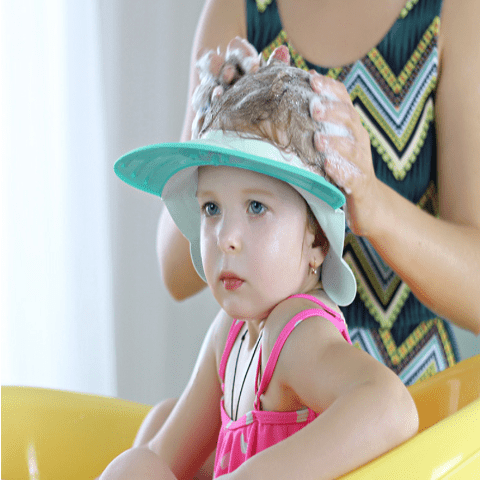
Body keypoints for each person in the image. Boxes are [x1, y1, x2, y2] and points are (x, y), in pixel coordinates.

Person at [102, 53, 418, 480]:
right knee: (152, 438)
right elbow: (163, 455)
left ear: (317, 240)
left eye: (256, 207)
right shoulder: (229, 333)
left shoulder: (296, 332)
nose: (225, 237)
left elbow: (392, 407)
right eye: (211, 208)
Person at [158, 0, 480, 386]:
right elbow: (175, 273)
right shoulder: (237, 10)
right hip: (273, 384)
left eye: (257, 205)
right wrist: (213, 139)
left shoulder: (456, 11)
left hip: (417, 393)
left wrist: (374, 204)